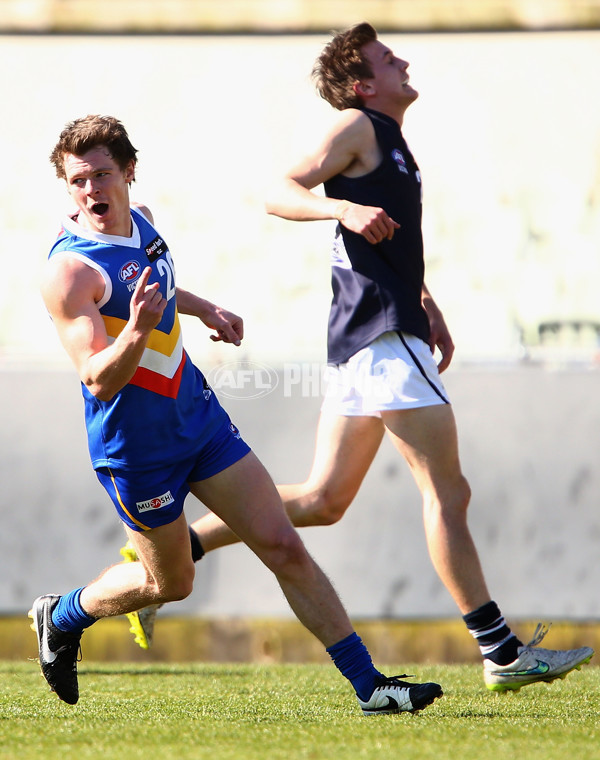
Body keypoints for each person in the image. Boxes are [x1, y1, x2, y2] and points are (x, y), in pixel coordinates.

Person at [123, 23, 594, 693]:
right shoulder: (358, 126)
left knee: (320, 499)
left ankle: (182, 545)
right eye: (387, 59)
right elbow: (275, 189)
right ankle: (500, 650)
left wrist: (423, 297)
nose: (403, 62)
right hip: (380, 338)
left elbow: (385, 245)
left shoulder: (393, 143)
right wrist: (339, 209)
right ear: (363, 84)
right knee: (448, 492)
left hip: (370, 335)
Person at [29, 113, 444, 715]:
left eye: (101, 174)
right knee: (170, 584)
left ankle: (371, 686)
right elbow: (99, 377)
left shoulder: (142, 223)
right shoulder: (69, 273)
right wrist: (143, 329)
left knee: (281, 543)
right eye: (77, 181)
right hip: (136, 451)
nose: (91, 189)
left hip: (197, 420)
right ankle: (63, 615)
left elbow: (157, 285)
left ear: (129, 173)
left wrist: (202, 309)